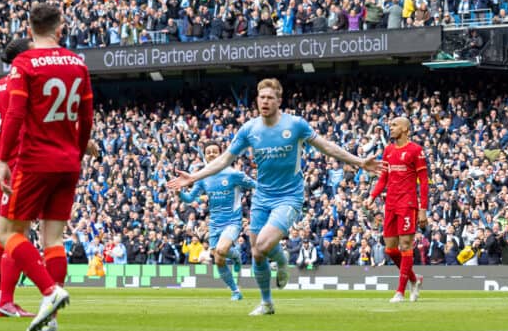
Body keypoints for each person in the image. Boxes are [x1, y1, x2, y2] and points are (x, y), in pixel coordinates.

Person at [168, 78, 379, 315]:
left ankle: (281, 259)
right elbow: (224, 159)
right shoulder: (249, 129)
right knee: (257, 253)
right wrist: (194, 177)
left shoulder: (296, 125)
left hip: (289, 196)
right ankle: (267, 303)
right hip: (262, 196)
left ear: (279, 101)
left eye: (270, 97)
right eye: (261, 97)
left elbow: (326, 146)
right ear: (257, 100)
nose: (265, 101)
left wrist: (360, 161)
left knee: (265, 244)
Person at [0, 3, 94, 331]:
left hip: (35, 160)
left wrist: (4, 159)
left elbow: (15, 115)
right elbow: (86, 118)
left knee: (9, 233)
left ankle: (50, 291)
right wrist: (78, 153)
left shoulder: (24, 63)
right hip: (68, 162)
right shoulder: (78, 64)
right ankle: (50, 318)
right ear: (60, 26)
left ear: (28, 29)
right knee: (54, 239)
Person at [0, 38, 35, 318]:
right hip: (11, 166)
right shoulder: (24, 84)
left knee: (1, 237)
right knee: (16, 235)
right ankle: (6, 300)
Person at [178, 141, 256, 300]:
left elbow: (256, 185)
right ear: (205, 155)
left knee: (221, 250)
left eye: (215, 151)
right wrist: (179, 191)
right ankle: (235, 290)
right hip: (214, 224)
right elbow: (189, 198)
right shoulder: (202, 177)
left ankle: (235, 256)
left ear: (221, 154)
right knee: (218, 258)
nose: (212, 154)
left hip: (232, 222)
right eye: (208, 152)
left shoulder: (234, 174)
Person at [365, 117, 428, 303]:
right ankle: (414, 280)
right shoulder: (389, 150)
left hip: (408, 204)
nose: (390, 128)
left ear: (405, 129)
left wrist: (423, 209)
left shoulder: (416, 150)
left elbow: (423, 182)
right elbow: (383, 177)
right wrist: (372, 196)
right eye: (390, 125)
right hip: (390, 204)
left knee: (406, 245)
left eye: (394, 125)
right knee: (391, 249)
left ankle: (400, 291)